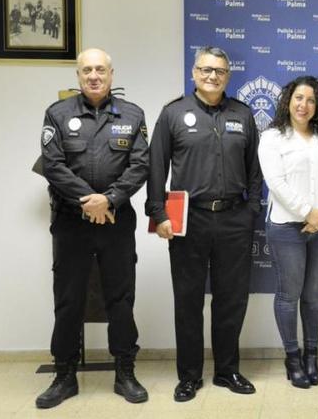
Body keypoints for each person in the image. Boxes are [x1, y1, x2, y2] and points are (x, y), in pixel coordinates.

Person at [146, 46, 262, 401]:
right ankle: (189, 376)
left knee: (231, 300)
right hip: (189, 220)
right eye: (206, 70)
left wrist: (252, 209)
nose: (213, 76)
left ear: (228, 76)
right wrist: (158, 214)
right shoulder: (173, 114)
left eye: (220, 71)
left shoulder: (242, 115)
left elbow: (255, 170)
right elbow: (156, 167)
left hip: (233, 219)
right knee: (188, 301)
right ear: (194, 73)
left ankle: (227, 371)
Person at [37, 48, 149, 408]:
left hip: (116, 222)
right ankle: (64, 374)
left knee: (121, 297)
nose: (94, 76)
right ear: (78, 76)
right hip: (72, 222)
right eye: (87, 70)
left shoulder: (133, 115)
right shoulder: (57, 114)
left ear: (112, 74)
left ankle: (125, 372)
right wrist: (90, 201)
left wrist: (109, 200)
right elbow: (53, 166)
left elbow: (140, 165)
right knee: (69, 298)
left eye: (100, 69)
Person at [258, 76, 318, 388]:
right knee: (288, 295)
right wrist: (307, 213)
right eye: (298, 98)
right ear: (287, 101)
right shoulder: (272, 137)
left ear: (317, 105)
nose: (303, 105)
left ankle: (311, 356)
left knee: (313, 297)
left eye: (310, 100)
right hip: (285, 227)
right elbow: (275, 183)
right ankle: (292, 358)